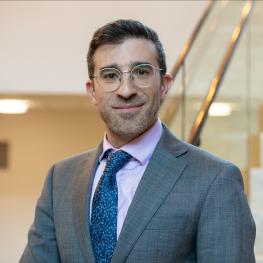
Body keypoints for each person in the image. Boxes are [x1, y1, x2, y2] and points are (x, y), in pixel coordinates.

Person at [20, 19, 256, 263]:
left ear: (165, 85)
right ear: (92, 92)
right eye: (110, 75)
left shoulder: (215, 179)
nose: (126, 90)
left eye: (141, 72)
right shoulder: (60, 179)